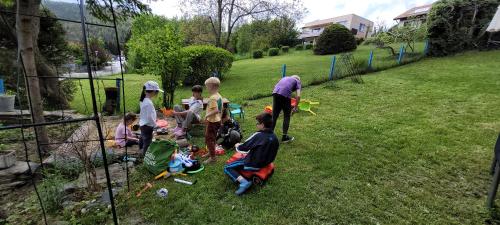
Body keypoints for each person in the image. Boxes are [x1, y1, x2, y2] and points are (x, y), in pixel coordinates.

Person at [224, 113, 279, 195]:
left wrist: (237, 145)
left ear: (262, 125)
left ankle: (244, 182)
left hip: (254, 163)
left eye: (258, 123)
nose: (257, 125)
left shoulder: (258, 135)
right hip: (267, 162)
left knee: (227, 168)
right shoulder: (274, 137)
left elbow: (243, 148)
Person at [272, 75, 301, 143]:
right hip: (284, 95)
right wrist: (295, 107)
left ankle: (268, 135)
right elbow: (298, 96)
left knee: (274, 116)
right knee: (287, 116)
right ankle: (284, 137)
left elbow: (277, 87)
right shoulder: (297, 81)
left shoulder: (285, 78)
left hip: (275, 93)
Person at [138, 81, 162, 156]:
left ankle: (140, 149)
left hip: (143, 123)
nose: (157, 93)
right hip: (148, 125)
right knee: (148, 141)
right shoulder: (148, 102)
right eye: (157, 92)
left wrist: (154, 118)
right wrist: (155, 125)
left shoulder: (143, 99)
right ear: (154, 91)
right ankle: (145, 156)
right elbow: (149, 116)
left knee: (142, 137)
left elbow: (146, 113)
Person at [203, 77, 223, 164]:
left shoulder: (213, 98)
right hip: (217, 120)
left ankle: (213, 157)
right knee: (212, 138)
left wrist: (206, 115)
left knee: (208, 139)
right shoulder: (219, 95)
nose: (206, 88)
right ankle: (211, 152)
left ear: (211, 86)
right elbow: (220, 109)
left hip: (213, 121)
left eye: (206, 86)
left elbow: (216, 110)